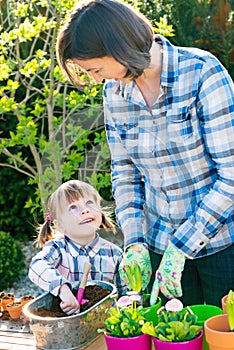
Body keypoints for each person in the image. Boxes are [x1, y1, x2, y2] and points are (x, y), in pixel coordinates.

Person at [56, 0, 234, 308]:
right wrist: (135, 241)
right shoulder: (114, 92)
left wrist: (182, 247)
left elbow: (231, 175)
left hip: (221, 245)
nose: (97, 79)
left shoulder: (202, 73)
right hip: (157, 245)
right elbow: (125, 172)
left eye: (96, 69)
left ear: (120, 46)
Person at [28, 180, 125, 315]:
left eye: (89, 203)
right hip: (67, 325)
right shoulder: (58, 248)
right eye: (73, 207)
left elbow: (124, 297)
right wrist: (63, 289)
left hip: (104, 324)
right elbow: (37, 266)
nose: (85, 210)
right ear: (60, 225)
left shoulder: (114, 254)